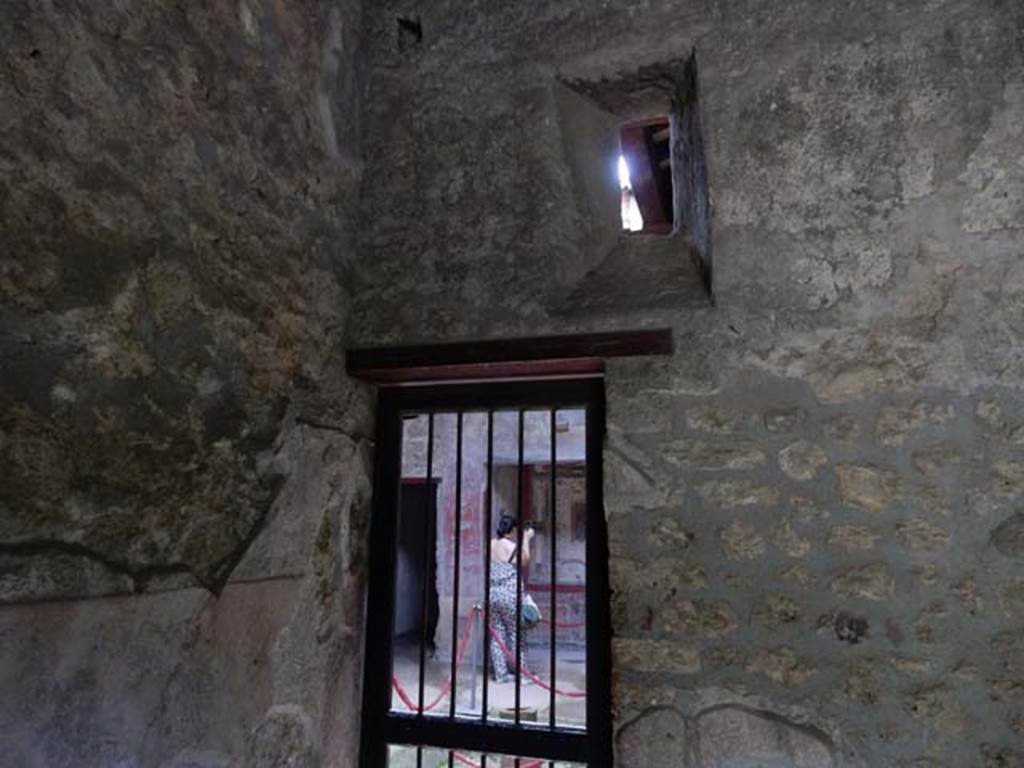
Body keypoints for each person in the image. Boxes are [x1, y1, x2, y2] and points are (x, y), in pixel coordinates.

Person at [488, 513, 535, 684]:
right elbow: (525, 561)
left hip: (493, 593)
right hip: (509, 594)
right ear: (513, 530)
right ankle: (522, 675)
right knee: (516, 634)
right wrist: (526, 539)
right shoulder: (511, 546)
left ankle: (501, 674)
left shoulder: (491, 544)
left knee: (497, 635)